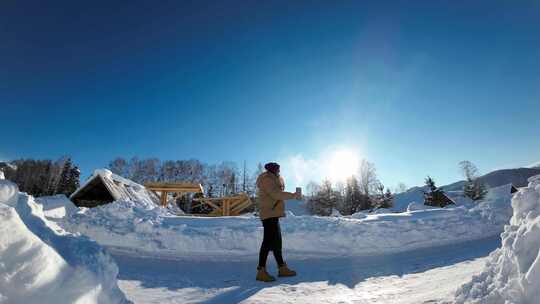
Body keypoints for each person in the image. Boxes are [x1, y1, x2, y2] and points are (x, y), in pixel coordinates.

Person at [255, 162, 301, 282]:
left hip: (273, 213)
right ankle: (261, 271)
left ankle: (282, 268)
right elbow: (276, 194)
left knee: (277, 242)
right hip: (268, 213)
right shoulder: (267, 179)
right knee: (268, 242)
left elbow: (278, 191)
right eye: (277, 169)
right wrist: (293, 195)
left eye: (279, 169)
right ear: (272, 170)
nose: (279, 171)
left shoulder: (275, 178)